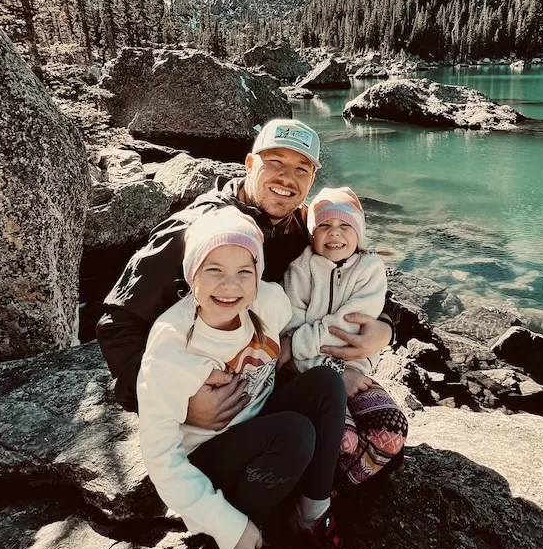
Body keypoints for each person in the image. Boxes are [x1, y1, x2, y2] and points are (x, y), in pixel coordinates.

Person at [137, 206, 392, 549]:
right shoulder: (171, 347)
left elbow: (321, 323)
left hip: (261, 427)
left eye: (244, 270)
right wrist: (224, 525)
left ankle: (311, 521)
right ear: (191, 276)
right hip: (210, 454)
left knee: (325, 385)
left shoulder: (269, 302)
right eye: (213, 269)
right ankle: (229, 548)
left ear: (258, 274)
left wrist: (384, 327)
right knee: (294, 435)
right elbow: (160, 456)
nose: (230, 285)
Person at [97, 118, 395, 424]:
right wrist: (176, 401)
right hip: (209, 389)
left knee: (384, 436)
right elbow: (117, 323)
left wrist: (384, 327)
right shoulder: (196, 231)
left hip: (275, 373)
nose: (286, 177)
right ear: (249, 164)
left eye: (301, 169)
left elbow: (358, 270)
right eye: (275, 162)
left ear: (312, 179)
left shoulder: (301, 229)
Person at [283, 187, 408, 491]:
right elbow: (289, 326)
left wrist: (349, 370)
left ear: (359, 232)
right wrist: (332, 372)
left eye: (345, 226)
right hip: (309, 375)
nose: (334, 233)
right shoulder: (298, 270)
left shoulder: (370, 269)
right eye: (324, 225)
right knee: (345, 438)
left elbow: (353, 326)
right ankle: (316, 492)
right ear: (312, 234)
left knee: (392, 431)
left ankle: (339, 487)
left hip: (354, 370)